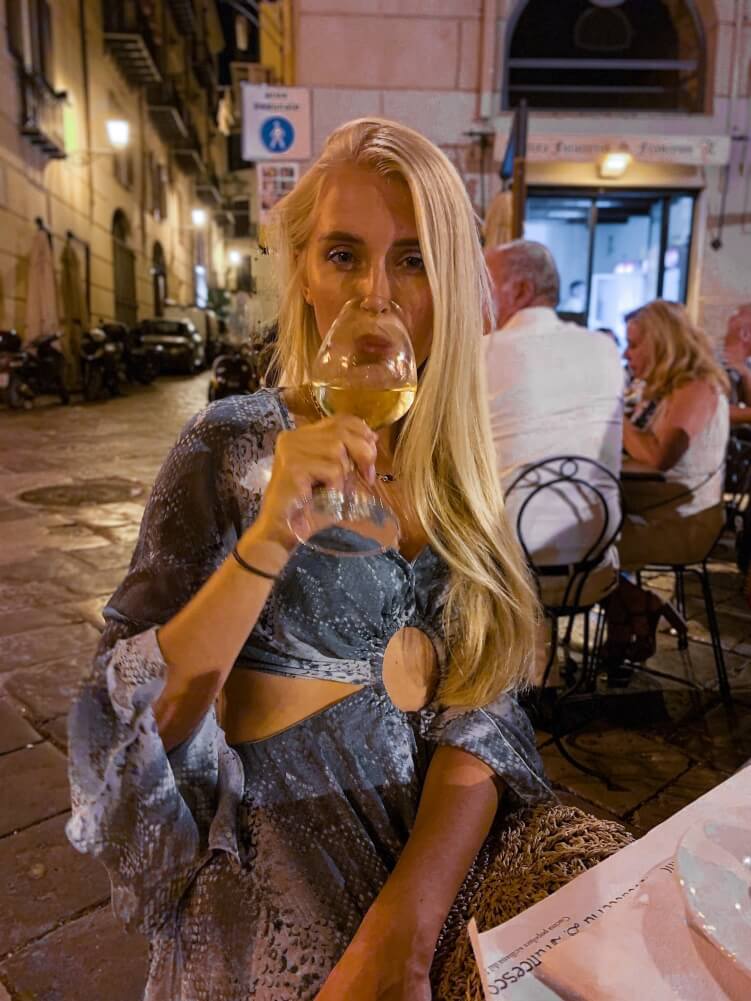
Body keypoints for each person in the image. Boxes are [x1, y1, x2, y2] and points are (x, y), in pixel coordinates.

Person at [66, 119, 553, 1001]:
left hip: (425, 904)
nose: (377, 295)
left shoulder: (461, 477)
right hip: (265, 922)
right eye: (343, 255)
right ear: (303, 275)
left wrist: (403, 934)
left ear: (450, 280)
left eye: (411, 260)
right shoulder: (229, 447)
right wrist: (265, 542)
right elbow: (126, 721)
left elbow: (480, 719)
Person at [484, 240, 624, 618]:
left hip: (503, 576)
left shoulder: (482, 352)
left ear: (521, 291)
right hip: (594, 568)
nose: (475, 296)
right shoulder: (605, 348)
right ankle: (544, 663)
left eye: (483, 283)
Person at [606, 300, 730, 670]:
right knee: (580, 531)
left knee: (574, 546)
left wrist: (611, 411)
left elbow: (659, 457)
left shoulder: (695, 388)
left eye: (634, 344)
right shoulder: (666, 389)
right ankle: (629, 621)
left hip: (685, 523)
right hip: (656, 507)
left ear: (662, 343)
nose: (627, 354)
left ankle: (636, 609)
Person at [723, 303, 751, 429]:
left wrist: (746, 375)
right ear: (745, 334)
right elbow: (712, 411)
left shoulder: (745, 365)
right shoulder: (713, 364)